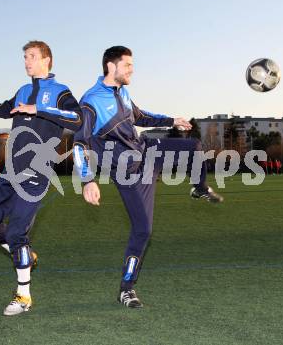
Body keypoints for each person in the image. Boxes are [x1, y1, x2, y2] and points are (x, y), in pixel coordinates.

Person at [73, 46, 223, 309]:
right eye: (127, 65)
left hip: (147, 152)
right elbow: (79, 143)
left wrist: (171, 121)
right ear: (111, 66)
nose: (132, 69)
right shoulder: (91, 101)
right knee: (143, 230)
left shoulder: (123, 92)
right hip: (128, 173)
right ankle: (126, 289)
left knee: (194, 147)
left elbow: (140, 116)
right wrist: (87, 180)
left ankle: (199, 188)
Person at [0, 40, 82, 316]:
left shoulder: (60, 92)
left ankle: (23, 296)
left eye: (31, 56)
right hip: (11, 171)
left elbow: (76, 119)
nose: (26, 62)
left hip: (36, 173)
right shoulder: (23, 89)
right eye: (24, 57)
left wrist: (39, 110)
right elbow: (2, 109)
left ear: (47, 60)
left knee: (17, 232)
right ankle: (24, 255)